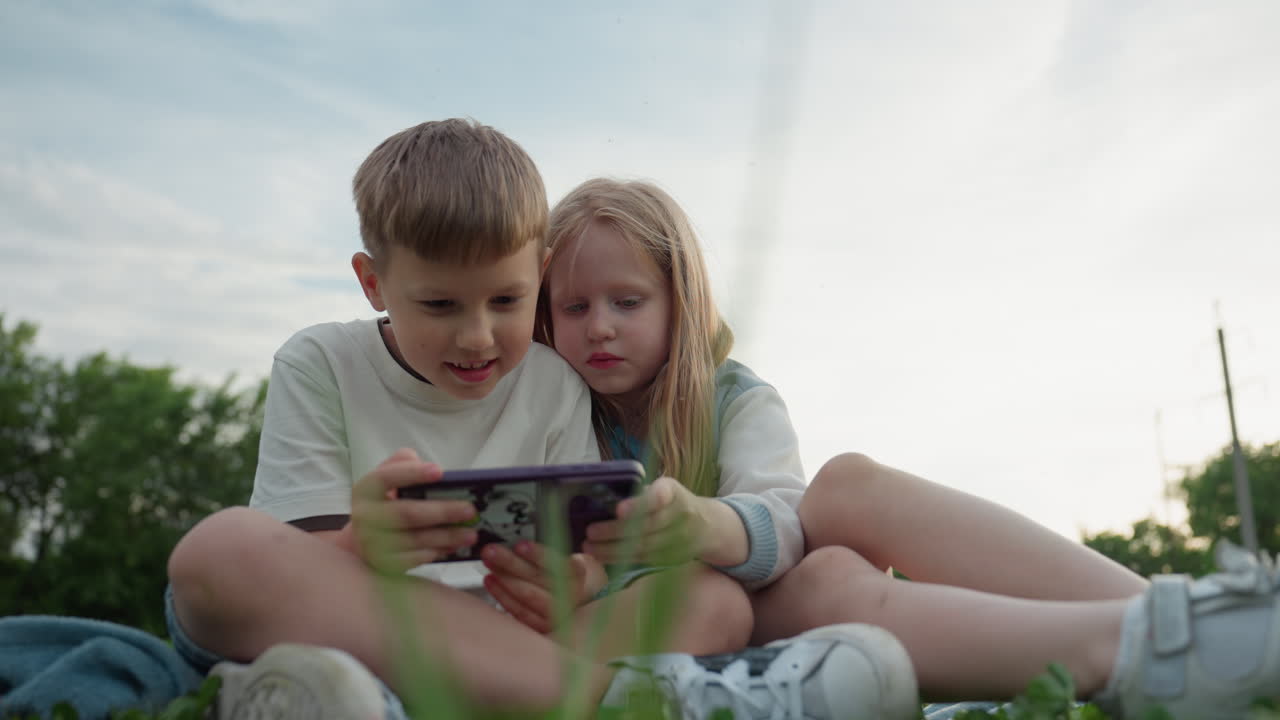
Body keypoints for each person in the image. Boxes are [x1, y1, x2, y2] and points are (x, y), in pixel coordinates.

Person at [163, 120, 921, 720]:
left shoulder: (556, 382)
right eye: (438, 305)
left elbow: (585, 559)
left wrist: (575, 582)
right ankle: (625, 705)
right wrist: (361, 543)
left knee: (710, 599)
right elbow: (298, 563)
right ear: (372, 282)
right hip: (366, 637)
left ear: (540, 270)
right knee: (217, 552)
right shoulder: (319, 363)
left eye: (506, 301)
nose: (476, 337)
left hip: (521, 644)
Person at [482, 176, 1280, 719]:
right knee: (788, 581)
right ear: (546, 316)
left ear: (681, 302)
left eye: (627, 300)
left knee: (844, 497)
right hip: (687, 623)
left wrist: (705, 527)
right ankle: (1158, 646)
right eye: (575, 306)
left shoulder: (733, 398)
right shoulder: (550, 406)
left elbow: (786, 521)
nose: (602, 326)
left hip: (763, 598)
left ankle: (1172, 623)